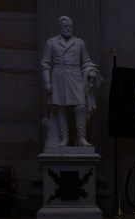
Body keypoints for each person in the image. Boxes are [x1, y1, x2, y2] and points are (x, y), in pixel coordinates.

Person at [40, 16, 102, 147]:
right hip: (58, 77)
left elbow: (85, 61)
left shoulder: (79, 43)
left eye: (70, 26)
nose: (68, 29)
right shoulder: (51, 42)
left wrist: (90, 70)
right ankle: (64, 139)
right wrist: (47, 82)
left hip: (75, 77)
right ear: (59, 27)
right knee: (60, 108)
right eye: (65, 26)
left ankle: (81, 138)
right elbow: (45, 64)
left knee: (80, 107)